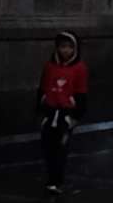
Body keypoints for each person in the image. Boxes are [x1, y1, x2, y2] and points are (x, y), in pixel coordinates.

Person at [35, 32, 90, 191]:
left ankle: (56, 180)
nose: (66, 50)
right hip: (50, 112)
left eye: (70, 47)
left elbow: (81, 93)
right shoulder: (49, 66)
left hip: (66, 114)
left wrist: (76, 116)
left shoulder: (80, 68)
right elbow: (42, 87)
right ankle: (51, 176)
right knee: (47, 147)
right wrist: (41, 107)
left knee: (61, 148)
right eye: (62, 46)